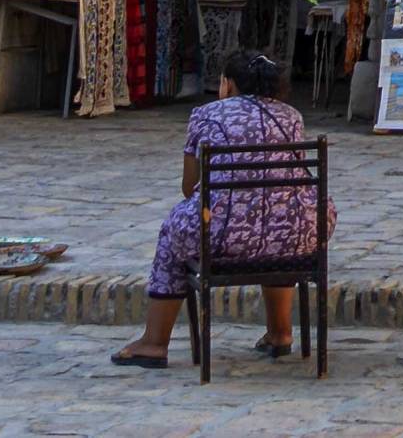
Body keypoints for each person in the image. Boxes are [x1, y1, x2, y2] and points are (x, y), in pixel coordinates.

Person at [111, 48, 333, 368]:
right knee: (275, 216)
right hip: (295, 238)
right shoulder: (291, 116)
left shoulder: (206, 114)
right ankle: (280, 333)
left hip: (227, 240)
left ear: (227, 84)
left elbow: (190, 187)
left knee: (173, 230)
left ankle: (154, 342)